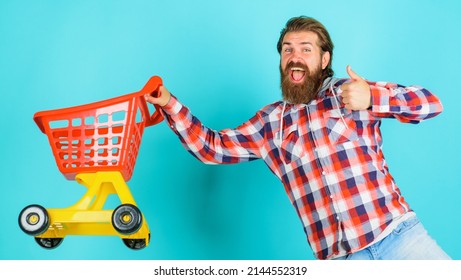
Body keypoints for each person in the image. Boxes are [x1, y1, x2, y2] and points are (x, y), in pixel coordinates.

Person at [145, 16, 450, 260]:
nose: (295, 56)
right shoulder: (270, 123)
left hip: (401, 239)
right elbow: (212, 148)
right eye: (288, 49)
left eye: (306, 49)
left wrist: (372, 97)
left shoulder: (350, 92)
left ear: (323, 58)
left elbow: (431, 103)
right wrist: (170, 104)